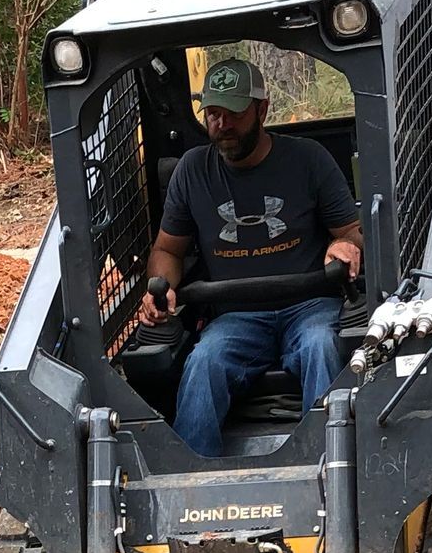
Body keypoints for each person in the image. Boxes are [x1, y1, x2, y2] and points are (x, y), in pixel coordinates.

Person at [139, 55, 363, 458]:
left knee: (321, 347)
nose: (221, 125)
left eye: (234, 114)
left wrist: (344, 246)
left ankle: (330, 465)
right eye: (213, 113)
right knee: (204, 361)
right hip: (236, 316)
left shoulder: (308, 160)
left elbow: (351, 233)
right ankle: (195, 483)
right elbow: (167, 249)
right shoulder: (193, 171)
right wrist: (164, 288)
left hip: (309, 306)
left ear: (262, 109)